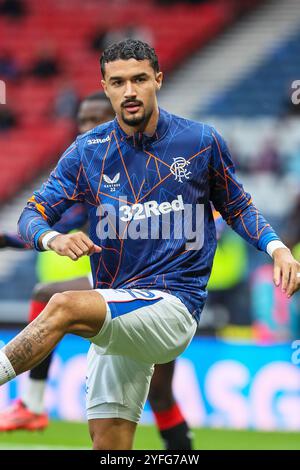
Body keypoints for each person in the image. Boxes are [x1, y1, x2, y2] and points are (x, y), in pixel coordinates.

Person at [0, 39, 299, 451]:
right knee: (109, 445)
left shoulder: (199, 142)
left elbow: (238, 206)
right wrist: (52, 237)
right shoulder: (87, 151)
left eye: (139, 79)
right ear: (104, 86)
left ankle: (26, 401)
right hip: (120, 307)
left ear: (157, 79)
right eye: (118, 82)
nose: (130, 91)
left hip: (173, 306)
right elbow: (32, 213)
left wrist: (277, 247)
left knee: (64, 304)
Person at [0, 90, 192, 450]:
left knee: (162, 396)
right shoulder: (90, 167)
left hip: (161, 289)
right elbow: (61, 217)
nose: (87, 127)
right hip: (118, 286)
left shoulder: (151, 164)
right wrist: (12, 239)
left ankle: (31, 403)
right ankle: (31, 404)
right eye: (83, 121)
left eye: (95, 119)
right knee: (49, 296)